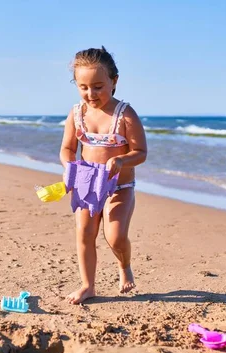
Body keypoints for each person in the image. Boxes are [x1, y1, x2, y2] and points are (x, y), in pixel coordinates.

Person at [60, 47, 148, 304]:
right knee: (84, 232)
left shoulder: (125, 114)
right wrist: (69, 165)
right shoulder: (77, 114)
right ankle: (88, 286)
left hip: (119, 186)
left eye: (98, 86)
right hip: (87, 185)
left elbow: (141, 152)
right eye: (83, 86)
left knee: (115, 237)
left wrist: (121, 160)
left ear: (114, 81)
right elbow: (67, 148)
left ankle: (124, 265)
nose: (91, 94)